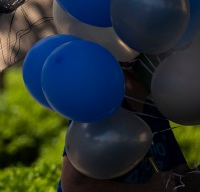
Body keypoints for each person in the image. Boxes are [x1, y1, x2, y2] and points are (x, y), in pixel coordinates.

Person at [58, 58, 200, 192]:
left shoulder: (156, 111)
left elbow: (179, 174)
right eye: (159, 55)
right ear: (127, 62)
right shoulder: (99, 109)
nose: (168, 61)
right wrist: (146, 190)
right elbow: (72, 185)